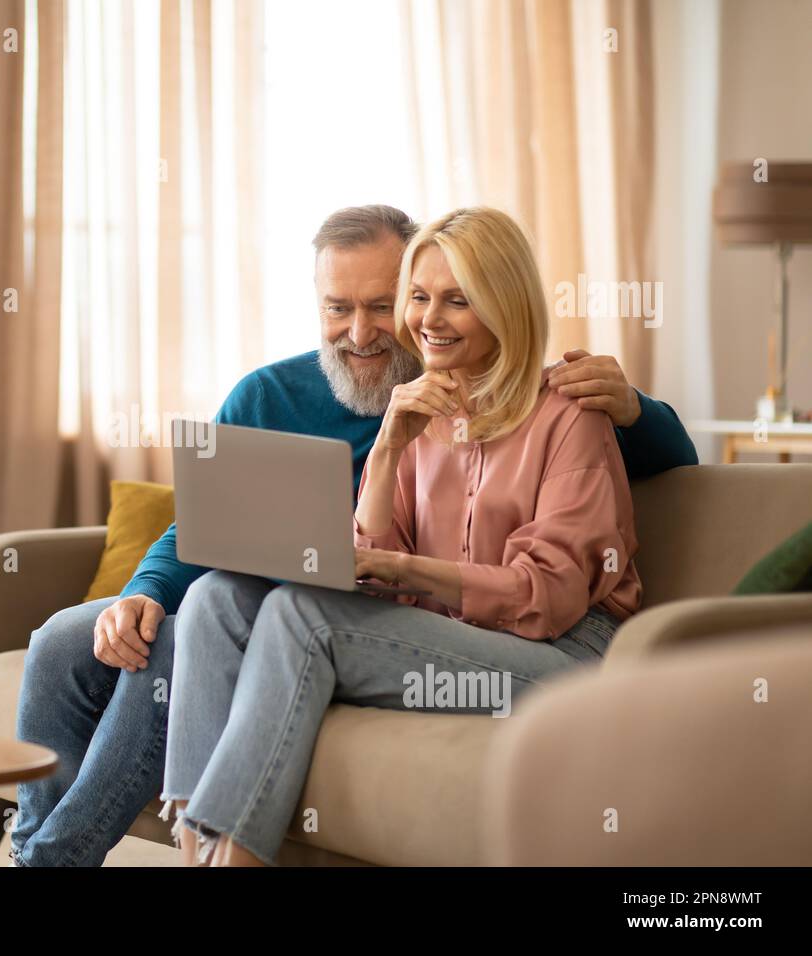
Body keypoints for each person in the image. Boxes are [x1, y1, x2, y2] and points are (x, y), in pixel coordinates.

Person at [10, 204, 696, 867]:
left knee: (250, 624)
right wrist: (147, 590)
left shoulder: (561, 407)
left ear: (501, 304)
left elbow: (634, 492)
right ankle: (146, 853)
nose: (369, 331)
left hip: (504, 635)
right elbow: (221, 525)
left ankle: (149, 857)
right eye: (342, 307)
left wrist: (638, 407)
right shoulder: (321, 401)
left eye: (393, 304)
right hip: (338, 606)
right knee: (138, 619)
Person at [162, 206, 644, 866]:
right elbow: (371, 568)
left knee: (303, 616)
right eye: (417, 298)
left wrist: (406, 570)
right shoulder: (420, 414)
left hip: (564, 657)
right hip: (456, 638)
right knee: (217, 598)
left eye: (457, 300)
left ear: (505, 307)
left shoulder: (569, 418)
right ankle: (194, 847)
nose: (428, 319)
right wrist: (388, 447)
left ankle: (233, 861)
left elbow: (547, 598)